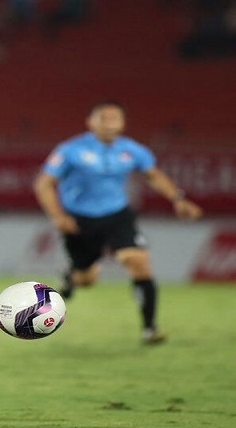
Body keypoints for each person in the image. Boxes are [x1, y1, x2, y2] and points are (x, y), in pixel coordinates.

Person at [33, 100, 202, 345]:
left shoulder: (132, 150)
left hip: (117, 215)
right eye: (104, 118)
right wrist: (58, 216)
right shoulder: (70, 150)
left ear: (123, 123)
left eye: (115, 119)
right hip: (80, 220)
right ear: (90, 122)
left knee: (138, 262)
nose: (110, 124)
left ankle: (150, 328)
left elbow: (153, 175)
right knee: (86, 280)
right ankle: (71, 277)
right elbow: (44, 183)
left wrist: (178, 199)